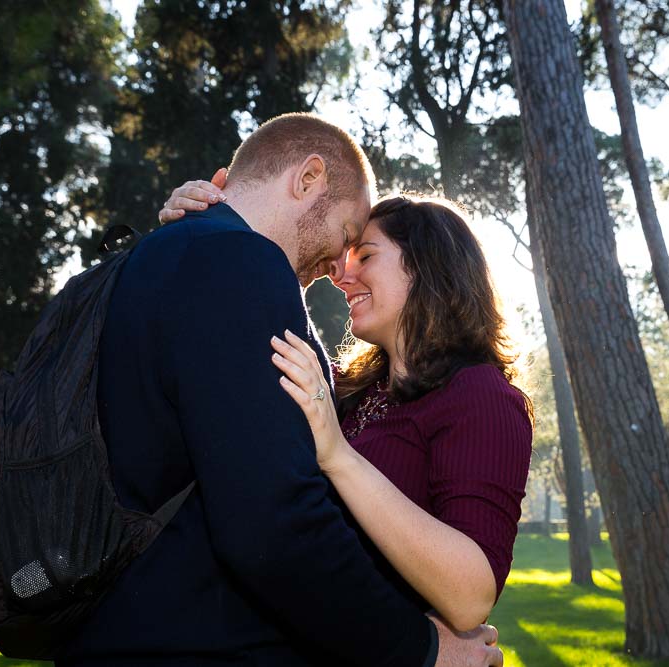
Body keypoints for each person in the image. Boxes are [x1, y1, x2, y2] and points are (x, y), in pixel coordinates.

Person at [57, 113, 503, 667]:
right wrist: (422, 649)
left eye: (364, 254)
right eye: (348, 238)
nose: (339, 269)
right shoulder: (240, 262)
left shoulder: (163, 254)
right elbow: (272, 526)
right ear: (308, 177)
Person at [160, 184, 533, 633]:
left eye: (367, 256)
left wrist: (339, 457)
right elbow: (233, 342)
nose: (341, 277)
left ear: (427, 265)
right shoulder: (343, 385)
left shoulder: (482, 396)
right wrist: (201, 225)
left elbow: (471, 596)